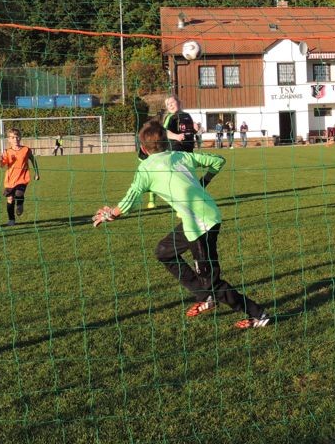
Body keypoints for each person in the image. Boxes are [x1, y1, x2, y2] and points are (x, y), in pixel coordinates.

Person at [92, 120, 270, 329]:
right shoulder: (180, 156)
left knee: (211, 280)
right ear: (166, 142)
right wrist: (204, 181)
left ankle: (259, 314)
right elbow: (218, 161)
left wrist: (109, 215)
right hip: (198, 219)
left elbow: (129, 201)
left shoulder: (145, 169)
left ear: (142, 148)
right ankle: (206, 297)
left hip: (201, 224)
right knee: (164, 252)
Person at [0, 128, 40, 226]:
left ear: (20, 137)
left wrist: (37, 173)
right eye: (12, 137)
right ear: (9, 139)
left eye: (17, 137)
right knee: (10, 199)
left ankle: (20, 204)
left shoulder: (26, 149)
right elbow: (1, 166)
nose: (15, 139)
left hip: (22, 179)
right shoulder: (7, 151)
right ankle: (11, 219)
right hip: (9, 180)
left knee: (19, 194)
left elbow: (33, 160)